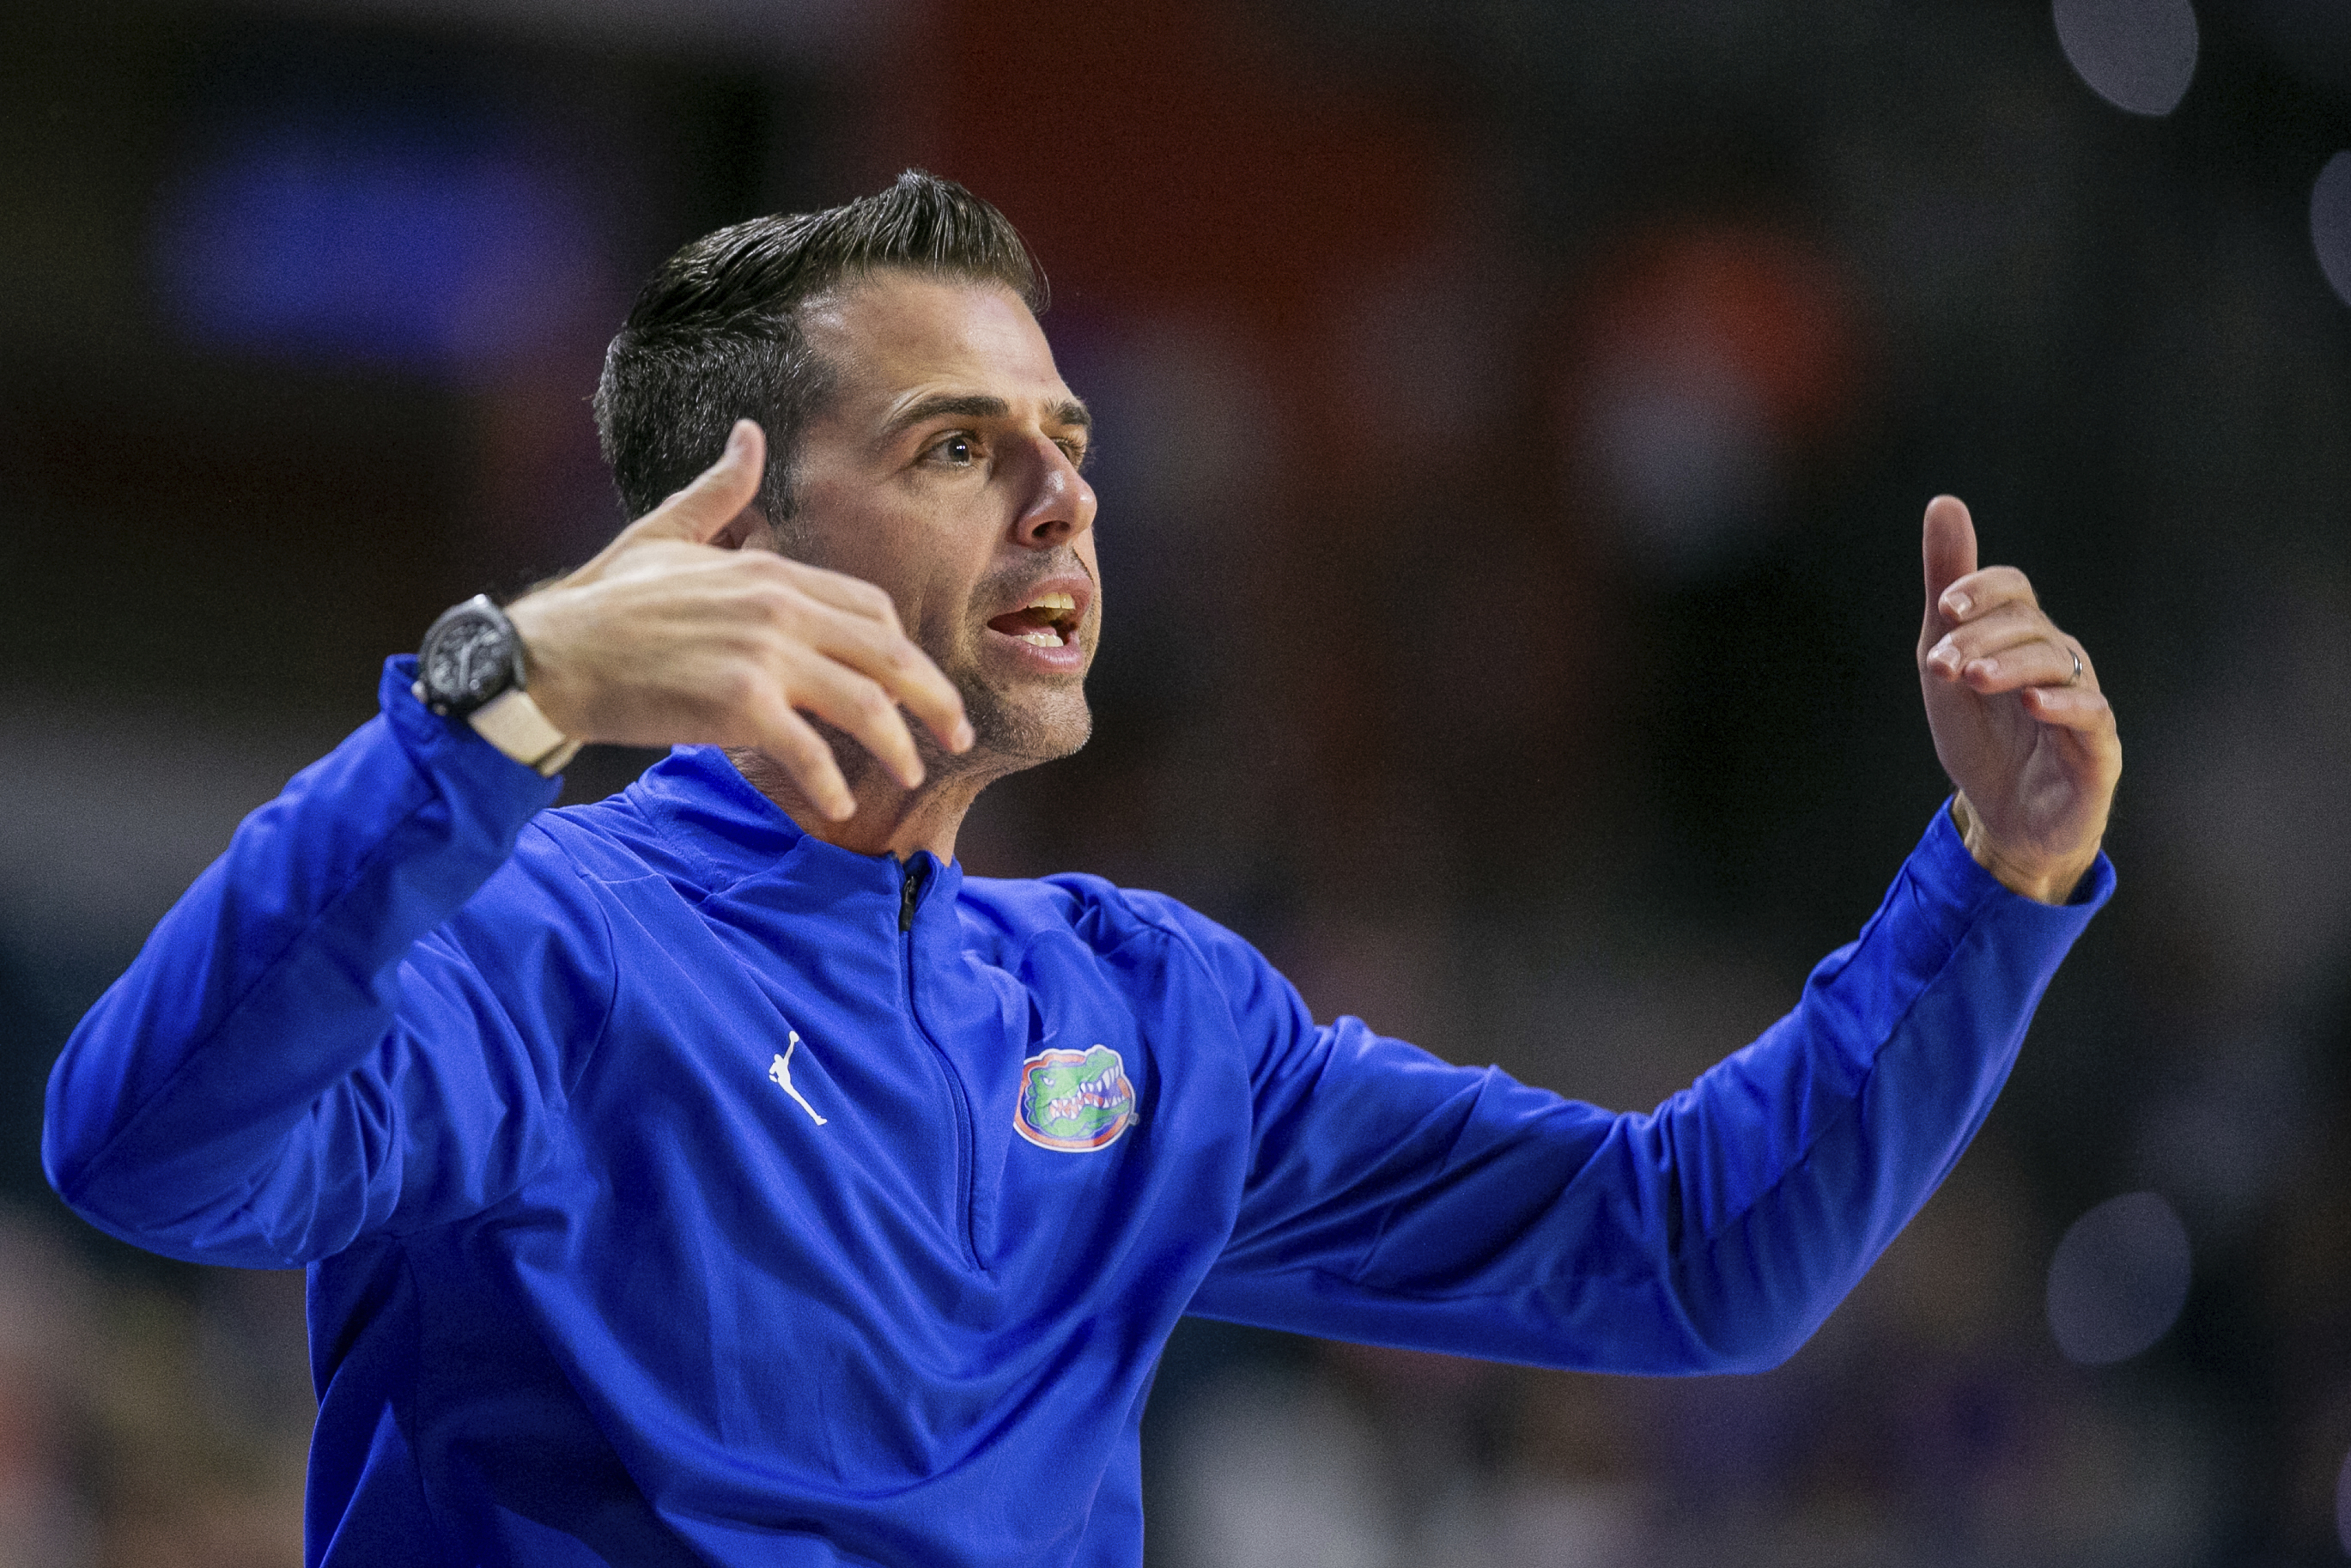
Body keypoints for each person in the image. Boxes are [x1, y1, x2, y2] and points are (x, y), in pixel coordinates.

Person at [44, 173, 2121, 1568]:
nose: (1064, 497)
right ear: (735, 534)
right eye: (962, 447)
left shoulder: (1145, 1008)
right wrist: (500, 694)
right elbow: (139, 1150)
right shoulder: (538, 946)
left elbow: (1683, 1258)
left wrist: (1992, 882)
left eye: (1072, 440)